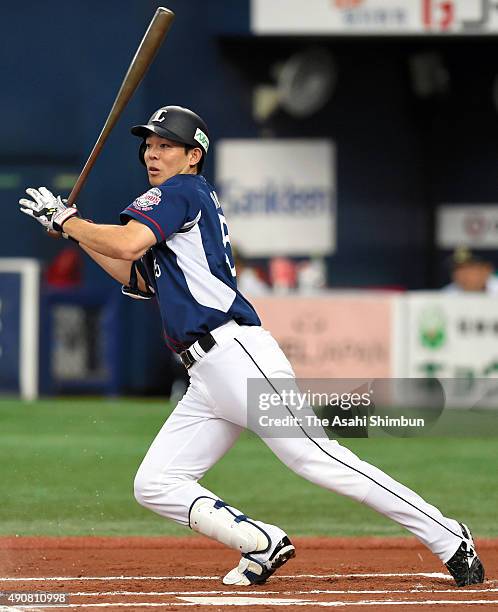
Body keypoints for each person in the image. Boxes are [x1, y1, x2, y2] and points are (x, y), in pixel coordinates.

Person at [19, 105, 484, 588]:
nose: (153, 154)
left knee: (318, 459)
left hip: (236, 355)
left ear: (193, 155)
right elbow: (134, 273)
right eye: (150, 146)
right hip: (206, 375)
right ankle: (259, 541)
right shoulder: (179, 200)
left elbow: (128, 244)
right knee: (156, 484)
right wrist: (74, 233)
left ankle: (448, 536)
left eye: (165, 146)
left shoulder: (180, 191)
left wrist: (69, 221)